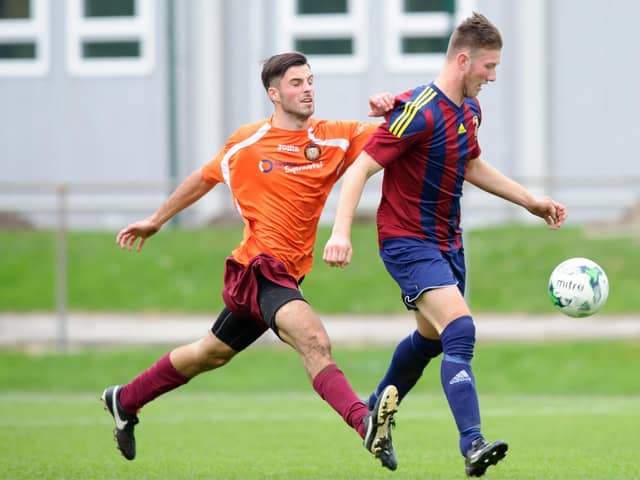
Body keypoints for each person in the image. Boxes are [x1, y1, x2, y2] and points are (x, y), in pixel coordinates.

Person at [101, 52, 400, 470]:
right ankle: (364, 422)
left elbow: (400, 137)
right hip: (257, 268)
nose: (308, 88)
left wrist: (395, 104)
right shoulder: (247, 143)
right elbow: (204, 177)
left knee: (210, 353)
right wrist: (156, 220)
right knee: (314, 340)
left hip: (283, 277)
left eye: (310, 80)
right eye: (296, 83)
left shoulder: (335, 137)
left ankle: (124, 399)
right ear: (274, 95)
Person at [322, 13, 568, 478]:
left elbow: (472, 165)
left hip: (446, 244)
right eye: (488, 67)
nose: (493, 77)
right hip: (406, 241)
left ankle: (376, 408)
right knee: (460, 329)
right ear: (463, 59)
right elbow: (359, 169)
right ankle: (472, 442)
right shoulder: (417, 110)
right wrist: (339, 233)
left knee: (431, 339)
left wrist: (530, 201)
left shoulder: (469, 111)